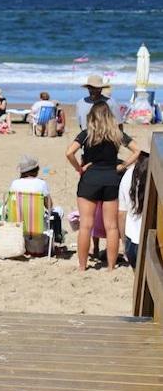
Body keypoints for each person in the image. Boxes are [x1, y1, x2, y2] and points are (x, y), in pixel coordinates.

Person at [66, 102, 140, 271]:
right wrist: (122, 166)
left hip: (90, 179)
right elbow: (137, 150)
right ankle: (111, 267)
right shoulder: (116, 134)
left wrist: (79, 168)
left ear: (92, 116)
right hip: (112, 179)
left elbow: (69, 152)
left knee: (86, 225)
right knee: (111, 226)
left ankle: (82, 266)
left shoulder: (86, 134)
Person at [9, 154, 63, 241]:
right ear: (36, 170)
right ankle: (57, 236)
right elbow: (49, 206)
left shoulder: (14, 183)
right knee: (59, 210)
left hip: (18, 223)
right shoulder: (41, 184)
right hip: (38, 225)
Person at [119, 138, 150, 268]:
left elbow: (122, 214)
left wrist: (124, 244)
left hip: (133, 242)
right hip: (152, 242)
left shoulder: (129, 174)